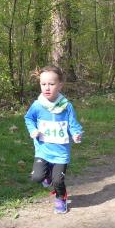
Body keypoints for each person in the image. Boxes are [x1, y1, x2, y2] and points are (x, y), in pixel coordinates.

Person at [24, 66, 83, 214]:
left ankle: (60, 198)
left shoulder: (66, 106)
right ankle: (46, 177)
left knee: (58, 181)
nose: (47, 87)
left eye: (51, 84)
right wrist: (33, 130)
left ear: (60, 85)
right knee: (37, 177)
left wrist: (76, 134)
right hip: (43, 150)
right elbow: (28, 118)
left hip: (60, 153)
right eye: (43, 84)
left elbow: (73, 124)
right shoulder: (37, 105)